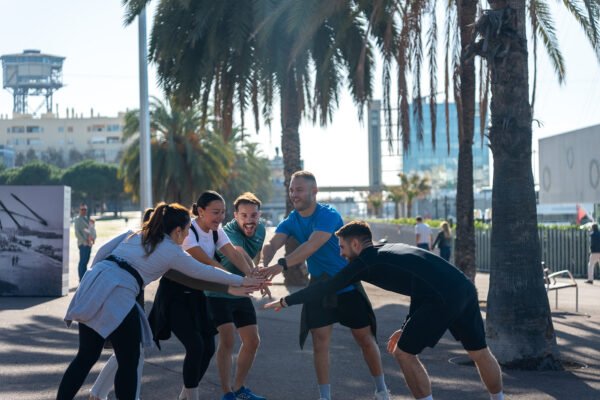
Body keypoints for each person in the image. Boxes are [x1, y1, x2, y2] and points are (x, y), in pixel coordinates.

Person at [266, 220, 505, 400]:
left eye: (342, 247)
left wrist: (287, 301)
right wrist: (405, 327)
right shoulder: (390, 248)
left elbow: (327, 287)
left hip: (440, 297)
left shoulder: (365, 262)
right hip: (463, 287)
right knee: (479, 352)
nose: (340, 253)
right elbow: (419, 284)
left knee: (404, 353)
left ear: (356, 244)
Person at [57, 202, 263, 400]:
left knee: (86, 356)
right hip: (118, 291)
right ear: (177, 231)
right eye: (187, 230)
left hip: (95, 282)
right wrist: (243, 280)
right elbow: (204, 271)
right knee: (129, 360)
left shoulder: (136, 234)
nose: (187, 236)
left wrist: (94, 282)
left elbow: (102, 253)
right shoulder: (171, 250)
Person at [261, 171, 390, 400]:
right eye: (291, 189)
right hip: (319, 287)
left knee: (365, 340)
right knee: (320, 343)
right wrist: (263, 264)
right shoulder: (291, 220)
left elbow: (313, 245)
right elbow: (273, 242)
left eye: (299, 189)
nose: (294, 194)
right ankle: (325, 397)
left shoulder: (328, 214)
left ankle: (381, 391)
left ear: (314, 191)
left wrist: (281, 264)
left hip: (346, 285)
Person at [149, 191, 259, 400]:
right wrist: (239, 282)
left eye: (223, 213)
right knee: (194, 346)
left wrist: (251, 274)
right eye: (215, 212)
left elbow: (233, 254)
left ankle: (186, 395)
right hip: (175, 294)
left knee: (207, 348)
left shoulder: (216, 231)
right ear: (200, 211)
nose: (220, 218)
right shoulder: (189, 231)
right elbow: (209, 266)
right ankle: (193, 396)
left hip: (198, 294)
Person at [205, 192, 267, 400]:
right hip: (218, 290)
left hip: (241, 290)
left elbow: (254, 257)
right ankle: (227, 393)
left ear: (259, 215)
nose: (249, 220)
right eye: (244, 215)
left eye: (254, 215)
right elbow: (238, 251)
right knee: (228, 337)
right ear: (235, 216)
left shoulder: (261, 230)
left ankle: (239, 388)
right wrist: (256, 277)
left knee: (252, 341)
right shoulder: (227, 230)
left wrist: (258, 270)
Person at [74, 203, 95, 281]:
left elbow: (92, 230)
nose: (84, 211)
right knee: (82, 262)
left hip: (89, 244)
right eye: (82, 209)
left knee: (86, 262)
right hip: (83, 244)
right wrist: (84, 240)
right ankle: (81, 279)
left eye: (85, 209)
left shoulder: (88, 219)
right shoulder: (77, 220)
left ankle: (84, 279)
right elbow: (77, 233)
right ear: (79, 210)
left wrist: (92, 238)